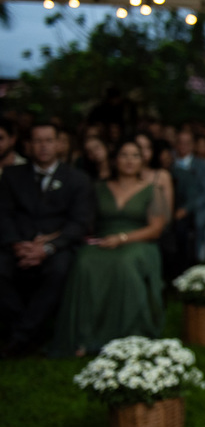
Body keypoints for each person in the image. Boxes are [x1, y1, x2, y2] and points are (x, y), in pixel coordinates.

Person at [52, 138, 168, 356]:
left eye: (135, 156)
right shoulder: (98, 187)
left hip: (139, 242)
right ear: (115, 160)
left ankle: (127, 334)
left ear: (143, 161)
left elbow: (156, 229)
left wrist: (122, 238)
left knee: (124, 263)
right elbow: (83, 220)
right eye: (124, 155)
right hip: (103, 240)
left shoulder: (153, 190)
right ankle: (83, 336)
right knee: (85, 261)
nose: (130, 160)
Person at [0, 123, 94, 356]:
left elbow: (79, 223)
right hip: (17, 245)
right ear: (28, 145)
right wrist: (16, 244)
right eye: (38, 141)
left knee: (59, 271)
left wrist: (48, 247)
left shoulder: (77, 179)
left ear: (59, 144)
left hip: (57, 247)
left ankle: (20, 337)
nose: (43, 146)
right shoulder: (11, 175)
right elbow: (4, 214)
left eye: (49, 140)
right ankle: (29, 331)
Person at [170, 129, 205, 269]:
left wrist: (187, 208)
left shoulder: (201, 165)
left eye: (187, 143)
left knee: (198, 225)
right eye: (180, 142)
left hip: (196, 208)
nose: (183, 146)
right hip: (174, 207)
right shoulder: (171, 163)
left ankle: (196, 261)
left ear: (193, 145)